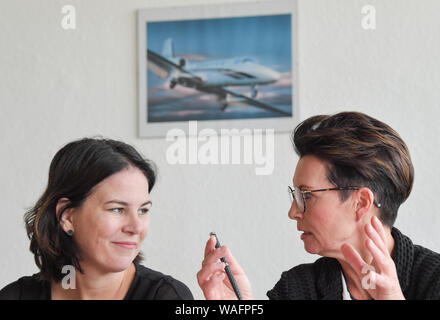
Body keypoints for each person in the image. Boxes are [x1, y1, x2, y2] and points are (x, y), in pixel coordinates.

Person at [197, 111, 440, 300]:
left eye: (306, 195)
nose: (293, 212)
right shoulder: (296, 289)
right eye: (295, 195)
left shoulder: (433, 280)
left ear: (361, 202)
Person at [0, 137, 193, 300]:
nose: (136, 227)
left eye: (143, 210)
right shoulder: (16, 296)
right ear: (67, 217)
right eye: (117, 209)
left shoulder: (166, 295)